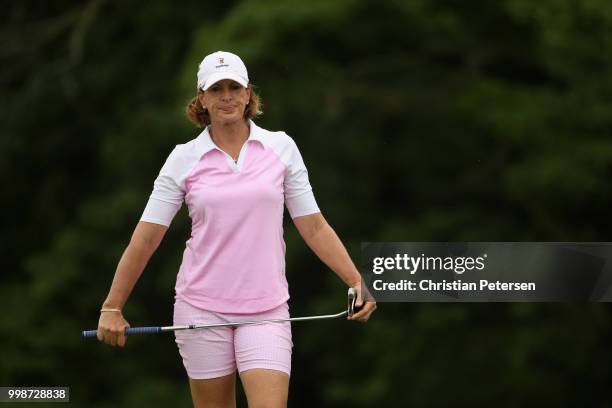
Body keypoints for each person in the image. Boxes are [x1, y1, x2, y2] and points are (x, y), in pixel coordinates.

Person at [96, 50, 376, 407]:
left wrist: (355, 280)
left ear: (248, 95)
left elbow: (315, 227)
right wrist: (112, 306)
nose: (226, 96)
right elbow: (146, 238)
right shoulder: (183, 158)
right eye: (216, 89)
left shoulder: (281, 148)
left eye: (234, 87)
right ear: (201, 99)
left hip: (266, 309)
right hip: (201, 308)